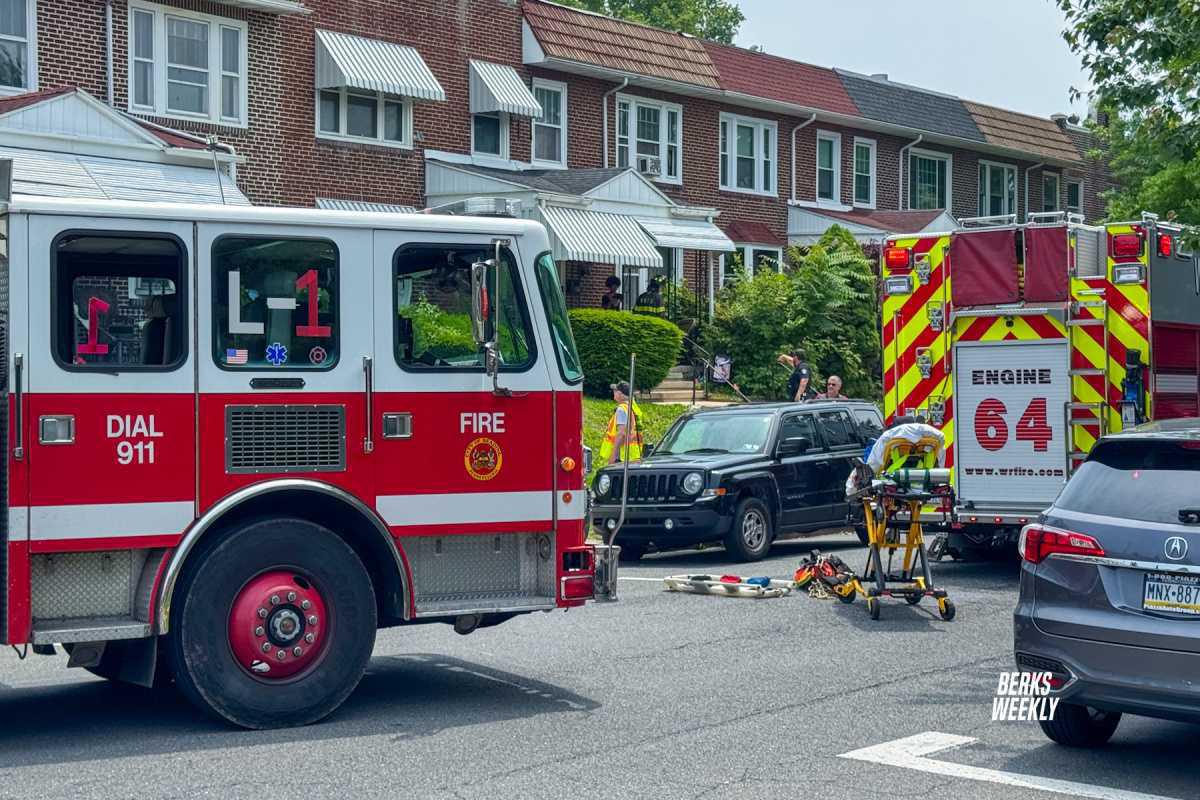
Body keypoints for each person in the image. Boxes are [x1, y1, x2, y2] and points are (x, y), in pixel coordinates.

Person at [599, 381, 644, 464]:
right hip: (634, 454)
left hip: (622, 456)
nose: (613, 393)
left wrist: (613, 455)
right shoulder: (633, 407)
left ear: (620, 393)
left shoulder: (622, 409)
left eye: (615, 391)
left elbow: (621, 433)